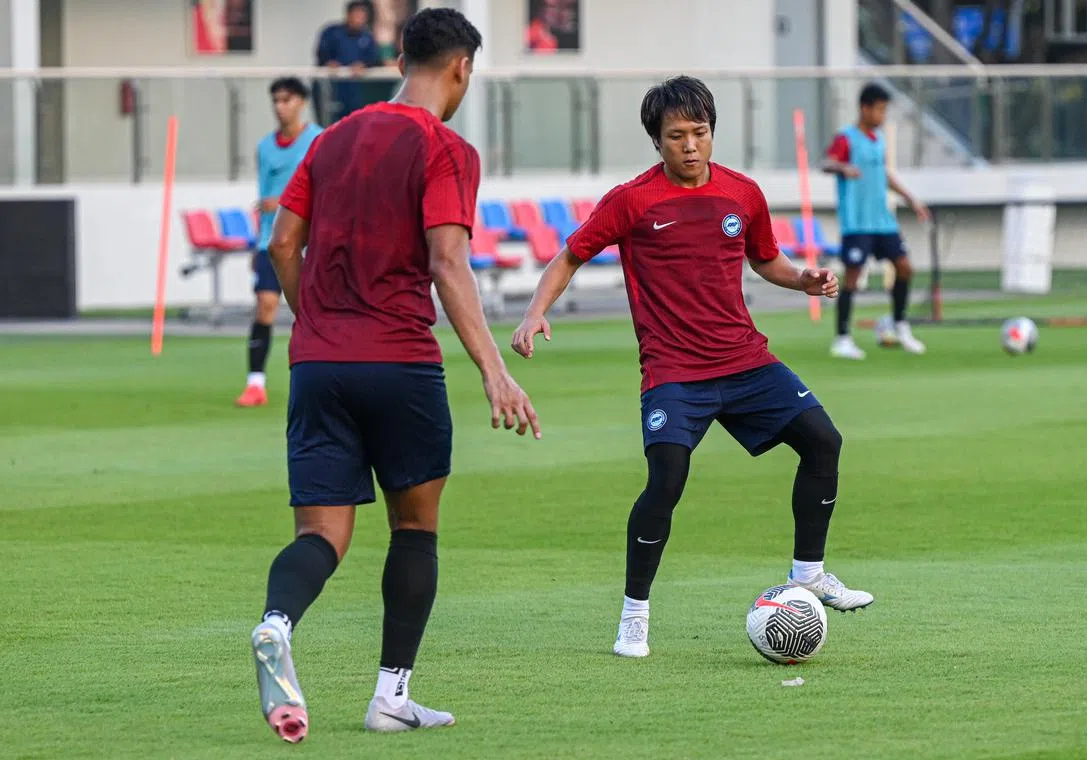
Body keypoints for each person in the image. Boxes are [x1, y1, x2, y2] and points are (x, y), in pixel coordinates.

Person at [252, 8, 540, 743]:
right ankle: (390, 697)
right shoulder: (445, 148)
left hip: (318, 364)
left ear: (401, 55)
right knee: (414, 526)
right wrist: (494, 370)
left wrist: (313, 314)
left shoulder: (331, 139)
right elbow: (447, 263)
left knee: (321, 533)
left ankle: (277, 622)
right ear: (462, 69)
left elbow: (285, 243)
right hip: (399, 362)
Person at [511, 76, 873, 660]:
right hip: (674, 370)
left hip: (745, 359)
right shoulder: (632, 200)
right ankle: (634, 615)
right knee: (668, 479)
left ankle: (808, 574)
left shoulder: (742, 193)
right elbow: (570, 254)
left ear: (712, 133)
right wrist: (534, 313)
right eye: (676, 135)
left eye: (699, 133)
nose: (690, 146)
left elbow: (765, 258)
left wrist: (803, 277)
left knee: (823, 441)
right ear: (656, 141)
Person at [823, 83, 930, 360]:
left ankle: (900, 325)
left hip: (883, 221)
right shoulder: (846, 138)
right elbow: (826, 163)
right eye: (880, 109)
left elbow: (884, 176)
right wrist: (843, 167)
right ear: (865, 108)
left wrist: (912, 199)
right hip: (857, 223)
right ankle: (842, 338)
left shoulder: (878, 139)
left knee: (905, 268)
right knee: (853, 278)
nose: (882, 116)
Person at [235, 78, 322, 408]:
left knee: (314, 312)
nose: (280, 106)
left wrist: (288, 203)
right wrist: (257, 243)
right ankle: (255, 383)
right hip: (272, 241)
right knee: (266, 305)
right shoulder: (264, 147)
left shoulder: (319, 140)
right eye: (276, 100)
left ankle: (318, 381)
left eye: (286, 99)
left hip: (310, 241)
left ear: (301, 102)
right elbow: (262, 196)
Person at [315, 1, 380, 123]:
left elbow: (374, 59)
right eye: (357, 15)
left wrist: (363, 65)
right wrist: (329, 63)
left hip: (355, 92)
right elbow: (321, 54)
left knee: (355, 126)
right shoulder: (331, 32)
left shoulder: (367, 37)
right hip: (332, 89)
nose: (360, 19)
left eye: (363, 16)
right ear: (348, 15)